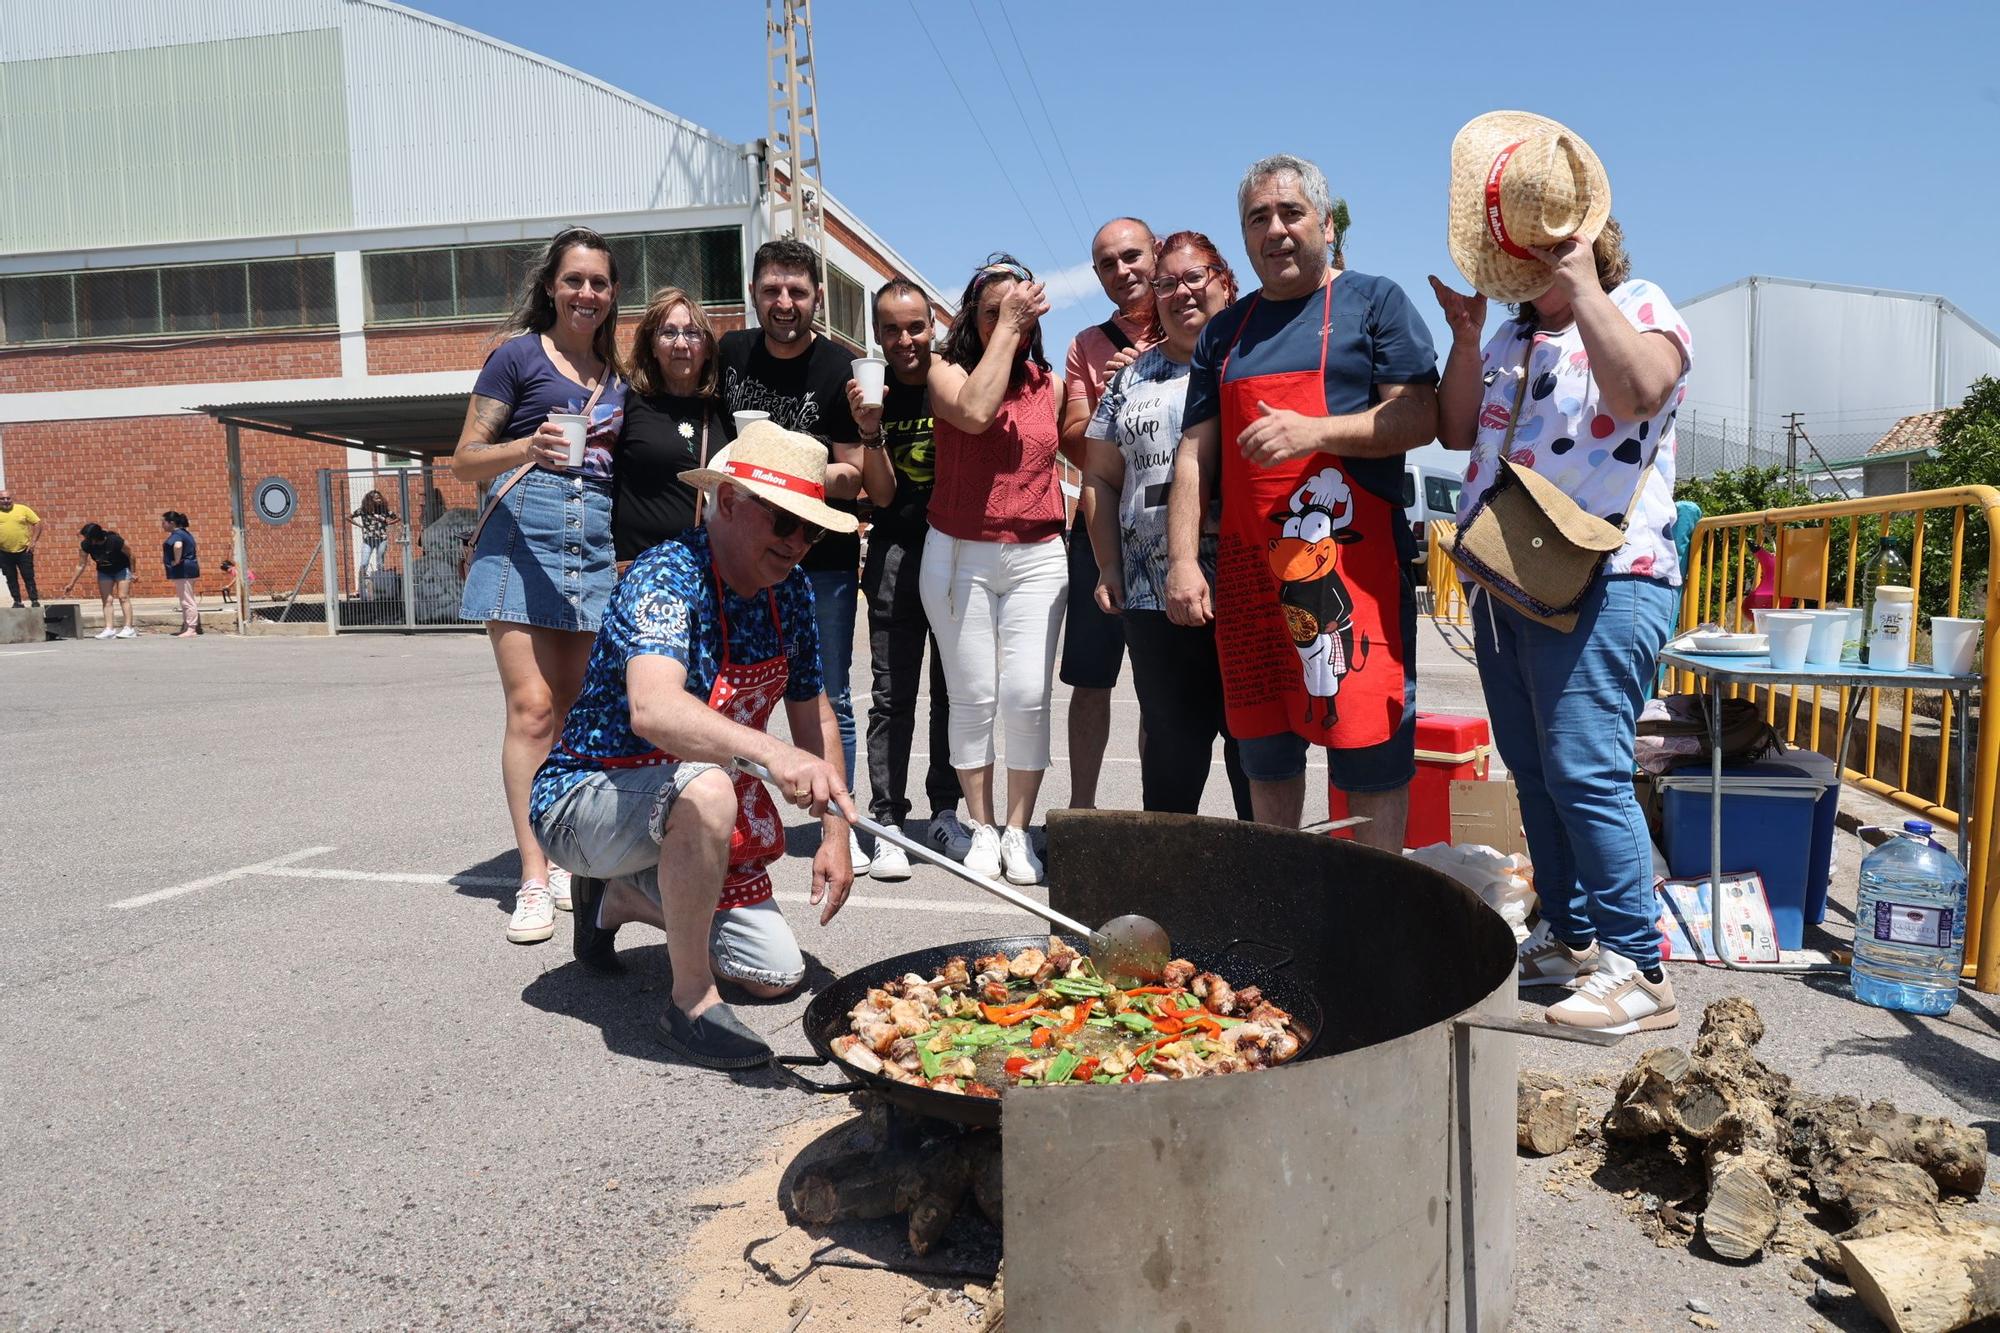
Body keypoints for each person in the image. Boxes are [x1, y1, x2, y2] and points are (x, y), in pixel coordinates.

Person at [1432, 110, 1692, 1034]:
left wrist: (1584, 289)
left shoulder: (1645, 305)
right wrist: (1466, 336)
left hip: (1613, 576)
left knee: (1586, 769)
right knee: (1536, 770)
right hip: (1512, 584)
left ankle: (1641, 965)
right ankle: (1573, 934)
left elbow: (1641, 391)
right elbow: (1459, 432)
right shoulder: (1509, 338)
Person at [530, 423, 858, 1069]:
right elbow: (653, 708)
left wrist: (836, 832)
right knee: (707, 788)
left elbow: (812, 706)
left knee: (775, 973)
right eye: (785, 521)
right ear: (729, 501)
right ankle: (690, 1004)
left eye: (810, 529)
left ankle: (622, 896)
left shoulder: (788, 590)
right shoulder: (667, 575)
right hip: (586, 798)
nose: (797, 542)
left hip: (686, 808)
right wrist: (772, 753)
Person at [1169, 154, 1437, 850]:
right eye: (1259, 218)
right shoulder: (1224, 334)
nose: (1276, 230)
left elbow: (1419, 416)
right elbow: (1195, 452)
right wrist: (1181, 562)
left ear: (1324, 219)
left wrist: (1313, 432)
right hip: (1252, 581)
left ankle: (1376, 917)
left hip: (1356, 578)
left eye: (1291, 213)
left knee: (1372, 753)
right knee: (1266, 752)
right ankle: (1279, 908)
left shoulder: (1374, 302)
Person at [451, 226, 628, 945]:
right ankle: (533, 874)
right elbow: (463, 460)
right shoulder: (518, 357)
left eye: (600, 283)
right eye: (575, 280)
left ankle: (562, 851)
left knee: (574, 715)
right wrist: (529, 445)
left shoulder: (617, 375)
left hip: (593, 544)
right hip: (520, 537)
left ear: (614, 295)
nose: (587, 293)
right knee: (531, 709)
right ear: (551, 287)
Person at [1084, 232, 1252, 818]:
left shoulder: (1258, 358)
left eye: (1194, 278)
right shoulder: (1130, 378)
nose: (1180, 293)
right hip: (1155, 594)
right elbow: (1099, 477)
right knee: (1172, 750)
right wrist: (1108, 564)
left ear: (1225, 282)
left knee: (1254, 748)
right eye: (1166, 283)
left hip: (1251, 585)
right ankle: (1167, 889)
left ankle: (1265, 886)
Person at [717, 239, 870, 871]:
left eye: (798, 292)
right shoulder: (729, 354)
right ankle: (716, 818)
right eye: (773, 290)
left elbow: (855, 473)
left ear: (817, 298)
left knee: (828, 694)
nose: (785, 303)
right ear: (754, 292)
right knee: (724, 686)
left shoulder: (841, 366)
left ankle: (843, 819)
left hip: (820, 555)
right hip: (740, 544)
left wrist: (792, 472)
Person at [924, 256, 1068, 885]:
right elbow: (978, 412)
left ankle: (1017, 829)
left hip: (1038, 552)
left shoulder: (1053, 386)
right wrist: (1007, 330)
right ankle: (980, 828)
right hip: (960, 553)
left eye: (1021, 309)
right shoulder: (945, 371)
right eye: (993, 312)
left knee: (1029, 696)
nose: (1009, 321)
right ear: (973, 319)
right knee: (974, 696)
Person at [849, 276, 969, 880]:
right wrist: (870, 430)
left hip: (956, 552)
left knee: (952, 693)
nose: (905, 339)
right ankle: (888, 821)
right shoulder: (874, 393)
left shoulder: (955, 382)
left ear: (934, 326)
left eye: (915, 326)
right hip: (896, 551)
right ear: (877, 334)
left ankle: (945, 811)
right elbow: (882, 493)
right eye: (891, 329)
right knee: (893, 696)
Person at [1058, 218, 1159, 810]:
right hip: (1096, 531)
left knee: (1158, 689)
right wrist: (1118, 399)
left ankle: (1155, 818)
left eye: (1131, 256)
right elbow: (1072, 436)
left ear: (1156, 254)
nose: (1122, 271)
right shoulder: (1088, 344)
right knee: (1090, 681)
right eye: (1107, 264)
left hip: (1170, 532)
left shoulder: (1194, 325)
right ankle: (1083, 811)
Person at [614, 286, 734, 563]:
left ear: (707, 349)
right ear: (652, 347)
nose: (681, 344)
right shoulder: (627, 400)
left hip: (703, 571)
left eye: (692, 333)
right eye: (668, 333)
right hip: (637, 571)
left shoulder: (723, 410)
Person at [77, 524, 136, 639]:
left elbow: (131, 555)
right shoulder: (86, 545)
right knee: (107, 600)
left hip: (121, 569)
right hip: (104, 571)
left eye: (87, 537)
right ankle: (109, 629)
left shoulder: (114, 541)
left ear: (94, 537)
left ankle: (129, 628)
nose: (85, 540)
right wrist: (71, 583)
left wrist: (133, 572)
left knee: (123, 597)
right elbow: (81, 564)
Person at [348, 490, 398, 595]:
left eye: (380, 498)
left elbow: (397, 518)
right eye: (376, 498)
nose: (379, 500)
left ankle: (380, 588)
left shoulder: (384, 510)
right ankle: (361, 588)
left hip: (381, 539)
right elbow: (349, 517)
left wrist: (388, 523)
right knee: (364, 563)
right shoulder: (363, 510)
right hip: (368, 539)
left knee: (380, 562)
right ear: (370, 500)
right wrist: (360, 526)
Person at [160, 511, 201, 638]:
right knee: (186, 599)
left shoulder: (177, 534)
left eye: (163, 522)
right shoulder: (184, 533)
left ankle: (191, 628)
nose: (162, 525)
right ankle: (187, 626)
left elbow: (178, 546)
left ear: (171, 523)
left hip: (183, 570)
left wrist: (176, 561)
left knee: (187, 600)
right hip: (188, 569)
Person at [0, 487, 42, 607]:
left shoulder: (22, 509)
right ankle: (17, 601)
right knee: (11, 578)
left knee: (28, 576)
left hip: (24, 551)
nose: (6, 501)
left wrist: (33, 541)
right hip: (4, 552)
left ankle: (34, 600)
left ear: (12, 499)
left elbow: (37, 523)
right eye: (2, 499)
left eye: (8, 498)